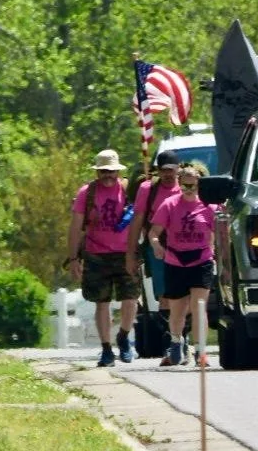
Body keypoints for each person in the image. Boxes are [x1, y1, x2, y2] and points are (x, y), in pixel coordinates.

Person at [67, 148, 140, 366]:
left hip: (125, 253)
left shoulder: (128, 191)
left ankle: (124, 337)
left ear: (118, 172)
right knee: (102, 302)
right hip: (96, 254)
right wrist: (73, 259)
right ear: (97, 172)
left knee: (131, 298)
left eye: (111, 171)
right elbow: (75, 227)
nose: (108, 175)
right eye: (103, 171)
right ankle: (107, 349)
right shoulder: (86, 193)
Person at [147, 162, 217, 368]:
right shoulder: (169, 204)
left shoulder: (209, 206)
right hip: (175, 260)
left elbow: (221, 233)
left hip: (201, 259)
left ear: (199, 185)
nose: (188, 190)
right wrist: (156, 246)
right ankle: (176, 341)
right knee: (177, 309)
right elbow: (153, 233)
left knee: (199, 306)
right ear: (179, 184)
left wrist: (219, 256)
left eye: (192, 186)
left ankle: (200, 350)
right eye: (185, 186)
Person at [126, 148, 184, 363]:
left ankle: (182, 341)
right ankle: (174, 345)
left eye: (171, 170)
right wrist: (130, 253)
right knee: (165, 297)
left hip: (185, 247)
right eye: (163, 170)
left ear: (178, 169)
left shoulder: (186, 188)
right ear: (157, 171)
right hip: (157, 246)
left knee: (184, 296)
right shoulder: (147, 190)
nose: (168, 175)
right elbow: (137, 220)